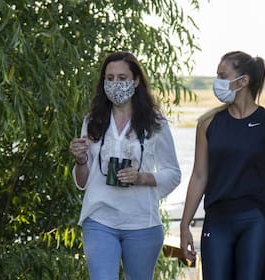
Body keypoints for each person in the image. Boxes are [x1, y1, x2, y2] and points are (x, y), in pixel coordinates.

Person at [180, 51, 265, 279]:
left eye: (223, 75)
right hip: (217, 219)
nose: (217, 82)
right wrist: (185, 225)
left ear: (243, 81)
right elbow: (198, 176)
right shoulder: (207, 124)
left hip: (256, 220)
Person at [69, 51, 181, 280]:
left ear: (136, 81)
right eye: (109, 79)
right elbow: (82, 182)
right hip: (99, 219)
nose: (115, 84)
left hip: (142, 222)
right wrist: (80, 159)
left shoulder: (155, 123)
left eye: (122, 78)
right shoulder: (93, 120)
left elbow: (173, 174)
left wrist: (142, 178)